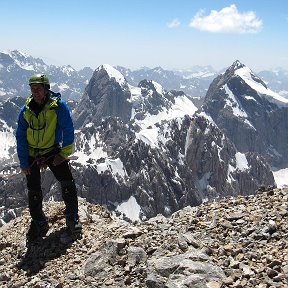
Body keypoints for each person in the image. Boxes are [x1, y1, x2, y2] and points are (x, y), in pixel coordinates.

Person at [16, 73, 82, 241]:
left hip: (52, 150)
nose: (35, 92)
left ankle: (72, 217)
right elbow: (20, 136)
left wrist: (63, 154)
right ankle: (38, 221)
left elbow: (68, 130)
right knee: (33, 189)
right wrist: (24, 162)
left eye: (38, 88)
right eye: (32, 89)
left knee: (67, 181)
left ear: (46, 89)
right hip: (32, 153)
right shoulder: (26, 110)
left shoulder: (58, 107)